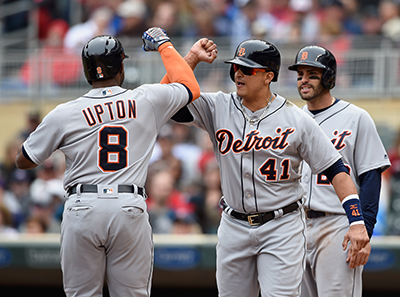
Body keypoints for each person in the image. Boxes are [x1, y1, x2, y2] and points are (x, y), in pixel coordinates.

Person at [166, 38, 370, 296]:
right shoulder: (216, 106)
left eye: (247, 69)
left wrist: (356, 221)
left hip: (281, 226)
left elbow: (336, 170)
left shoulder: (295, 119)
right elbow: (168, 99)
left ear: (268, 76)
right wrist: (192, 59)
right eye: (236, 67)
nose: (238, 73)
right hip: (233, 224)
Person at [15, 27, 201, 297]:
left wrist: (60, 141)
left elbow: (24, 160)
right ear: (121, 67)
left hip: (82, 207)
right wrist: (164, 45)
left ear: (86, 70)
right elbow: (185, 88)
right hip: (128, 206)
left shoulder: (64, 112)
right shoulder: (145, 99)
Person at [287, 45, 391, 297]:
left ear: (328, 77)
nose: (304, 80)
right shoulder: (292, 119)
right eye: (300, 75)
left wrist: (363, 229)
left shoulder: (356, 117)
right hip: (296, 224)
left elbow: (370, 177)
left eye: (312, 74)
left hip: (338, 224)